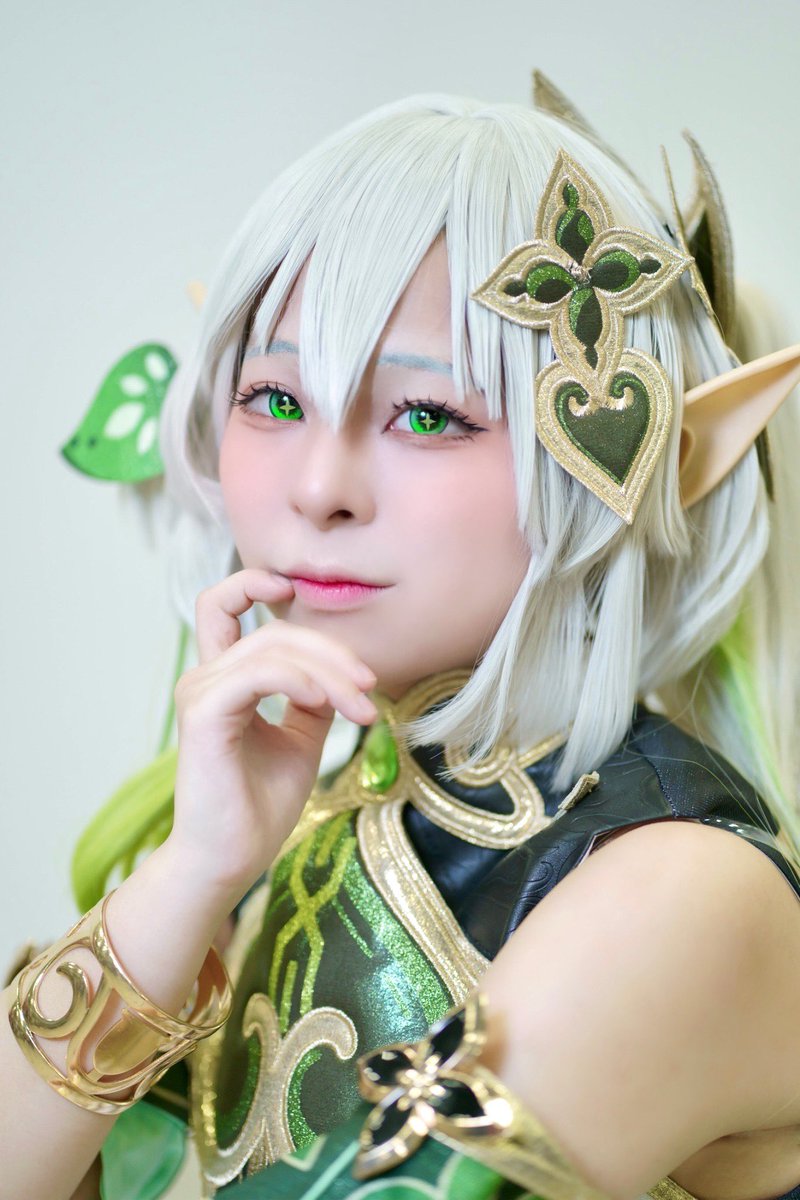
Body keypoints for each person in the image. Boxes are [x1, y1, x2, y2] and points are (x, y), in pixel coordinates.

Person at [4, 82, 800, 1200]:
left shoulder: (675, 889)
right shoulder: (313, 814)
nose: (317, 487)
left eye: (428, 417)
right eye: (275, 398)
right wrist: (193, 872)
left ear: (611, 462)